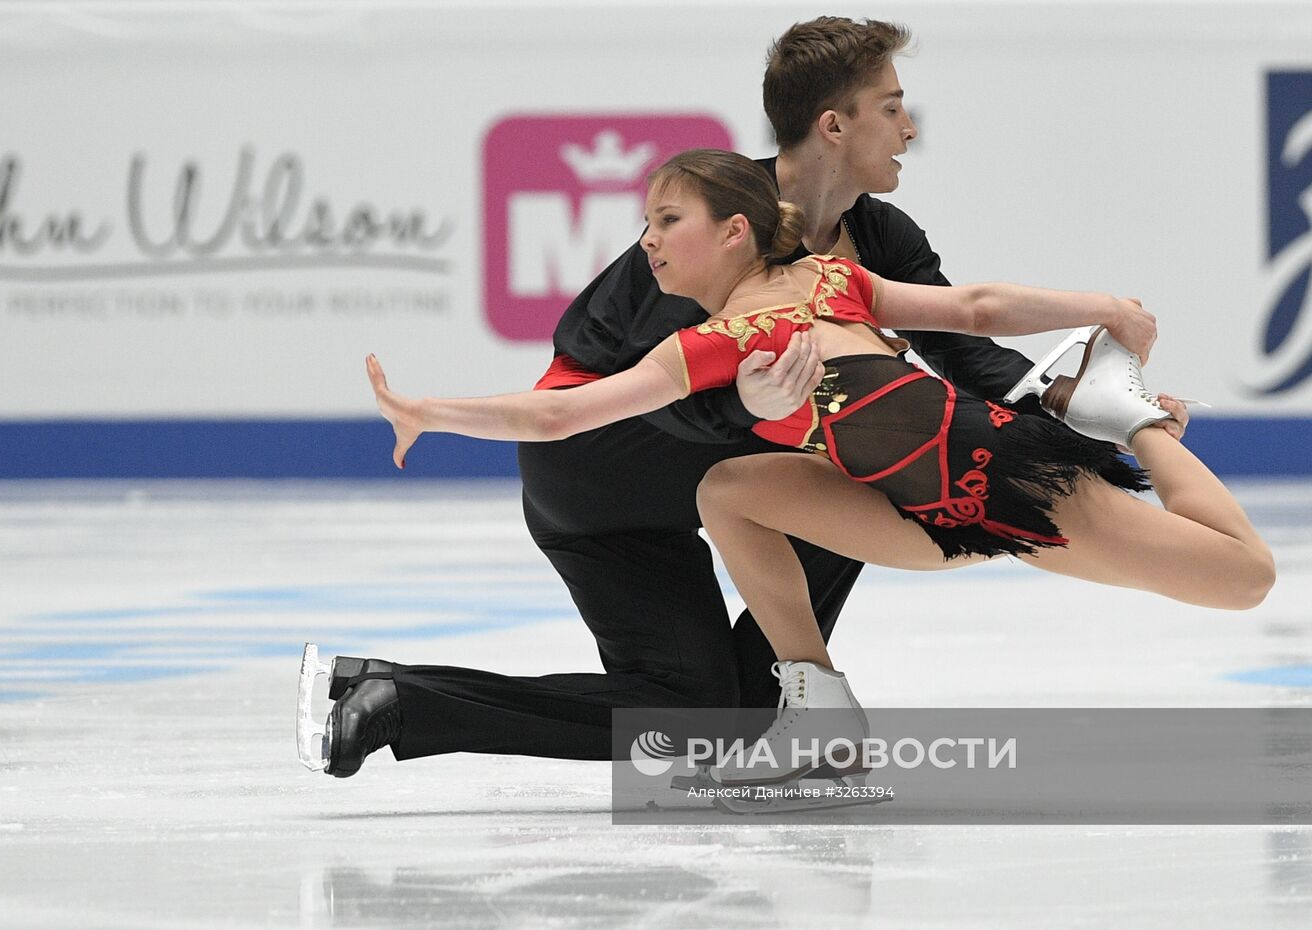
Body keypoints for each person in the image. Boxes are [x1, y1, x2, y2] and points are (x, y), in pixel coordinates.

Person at [356, 148, 1274, 780]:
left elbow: (979, 307)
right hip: (911, 519)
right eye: (645, 221)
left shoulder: (826, 284)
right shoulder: (723, 340)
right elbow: (565, 416)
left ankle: (1131, 415)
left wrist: (1105, 311)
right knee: (731, 489)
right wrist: (431, 411)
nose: (645, 240)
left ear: (734, 233)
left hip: (1002, 485)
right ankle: (817, 702)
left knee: (1243, 580)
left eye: (667, 219)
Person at [315, 18, 1062, 780]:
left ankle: (397, 698)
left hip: (709, 470)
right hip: (597, 467)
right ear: (834, 125)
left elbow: (964, 347)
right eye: (894, 105)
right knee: (865, 458)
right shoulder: (720, 219)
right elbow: (617, 391)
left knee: (700, 719)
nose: (909, 127)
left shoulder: (881, 236)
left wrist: (1074, 408)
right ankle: (804, 698)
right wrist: (744, 407)